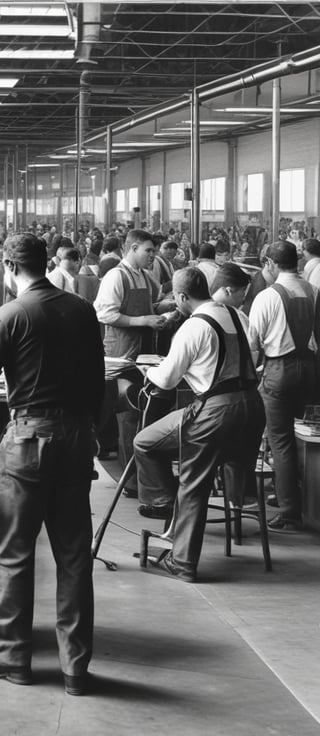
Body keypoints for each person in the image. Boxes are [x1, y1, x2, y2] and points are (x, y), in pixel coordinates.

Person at [0, 233, 104, 695]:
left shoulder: (9, 315)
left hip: (28, 440)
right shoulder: (82, 310)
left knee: (13, 552)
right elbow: (96, 378)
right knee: (73, 557)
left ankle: (13, 656)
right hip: (76, 439)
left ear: (9, 266)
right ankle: (75, 668)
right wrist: (91, 432)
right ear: (46, 264)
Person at [133, 267, 265, 581]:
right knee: (186, 457)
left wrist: (148, 370)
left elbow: (167, 379)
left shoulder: (194, 327)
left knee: (152, 449)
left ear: (181, 297)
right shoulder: (236, 316)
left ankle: (178, 549)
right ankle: (171, 506)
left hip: (216, 412)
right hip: (251, 409)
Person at [248, 241, 319, 531]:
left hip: (280, 370)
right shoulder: (312, 291)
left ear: (271, 263)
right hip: (311, 369)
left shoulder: (268, 296)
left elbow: (253, 342)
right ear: (298, 261)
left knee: (281, 441)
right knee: (308, 438)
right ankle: (307, 501)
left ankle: (289, 510)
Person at [93, 229, 169, 496]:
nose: (153, 256)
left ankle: (139, 477)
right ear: (133, 248)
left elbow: (146, 308)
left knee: (140, 416)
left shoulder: (144, 277)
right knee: (129, 416)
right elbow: (104, 313)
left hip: (142, 354)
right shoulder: (116, 275)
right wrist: (143, 321)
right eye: (149, 251)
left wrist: (164, 307)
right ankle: (129, 481)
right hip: (120, 355)